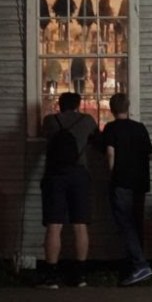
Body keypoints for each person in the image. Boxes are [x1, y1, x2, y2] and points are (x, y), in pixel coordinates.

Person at [38, 92, 99, 289]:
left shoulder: (50, 120)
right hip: (79, 174)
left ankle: (51, 276)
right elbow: (97, 139)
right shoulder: (87, 120)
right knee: (80, 225)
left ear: (60, 105)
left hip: (55, 174)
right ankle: (80, 275)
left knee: (54, 225)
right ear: (78, 105)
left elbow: (43, 135)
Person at [100, 93, 152, 286]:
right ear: (128, 107)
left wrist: (112, 175)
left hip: (121, 181)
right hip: (140, 182)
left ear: (112, 109)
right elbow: (150, 154)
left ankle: (140, 265)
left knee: (125, 224)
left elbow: (110, 154)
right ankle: (137, 265)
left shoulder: (111, 128)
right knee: (136, 223)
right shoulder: (139, 128)